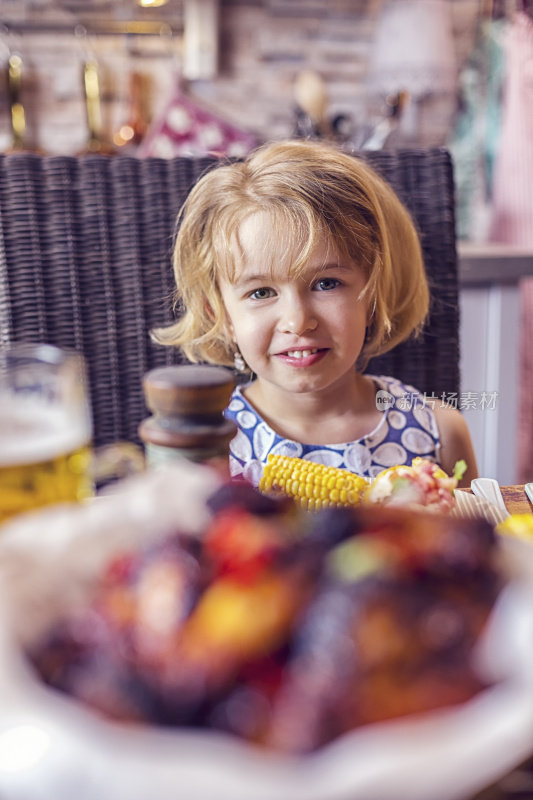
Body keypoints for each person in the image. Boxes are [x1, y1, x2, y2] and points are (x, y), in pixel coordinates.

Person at [153, 139, 478, 488]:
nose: (297, 322)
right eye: (261, 292)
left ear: (373, 293)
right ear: (221, 315)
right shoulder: (205, 450)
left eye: (327, 284)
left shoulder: (439, 432)